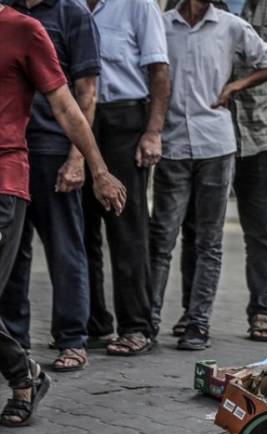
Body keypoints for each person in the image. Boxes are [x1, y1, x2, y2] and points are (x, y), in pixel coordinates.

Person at [0, 2, 126, 426]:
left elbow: (71, 103)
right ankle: (23, 369)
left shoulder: (26, 29)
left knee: (66, 251)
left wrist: (96, 168)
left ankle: (53, 354)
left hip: (12, 172)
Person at [148, 0, 267, 351]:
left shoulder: (230, 26)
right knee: (162, 238)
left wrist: (236, 87)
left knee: (209, 241)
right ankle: (148, 323)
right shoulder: (162, 25)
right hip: (172, 144)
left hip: (215, 145)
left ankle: (198, 323)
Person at [0, 0, 101, 373]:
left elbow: (85, 94)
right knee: (13, 257)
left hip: (51, 149)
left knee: (64, 247)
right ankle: (14, 342)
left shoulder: (72, 15)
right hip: (11, 153)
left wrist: (78, 159)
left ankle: (72, 339)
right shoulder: (8, 12)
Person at [83, 0, 170, 357]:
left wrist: (153, 132)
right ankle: (94, 322)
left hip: (124, 121)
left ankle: (137, 326)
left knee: (127, 229)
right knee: (82, 228)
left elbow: (160, 72)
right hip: (80, 120)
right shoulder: (69, 6)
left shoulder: (137, 4)